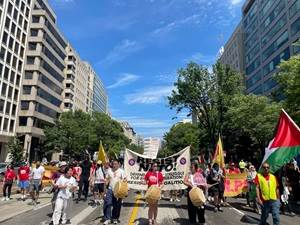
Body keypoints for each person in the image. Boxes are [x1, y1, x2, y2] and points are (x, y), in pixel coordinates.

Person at [103, 159, 126, 225]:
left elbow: (124, 180)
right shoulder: (109, 171)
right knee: (108, 203)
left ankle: (115, 218)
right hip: (110, 189)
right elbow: (107, 180)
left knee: (117, 205)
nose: (114, 165)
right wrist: (105, 191)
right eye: (113, 164)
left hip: (118, 191)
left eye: (116, 164)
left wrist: (125, 189)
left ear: (118, 164)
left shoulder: (121, 171)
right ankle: (108, 218)